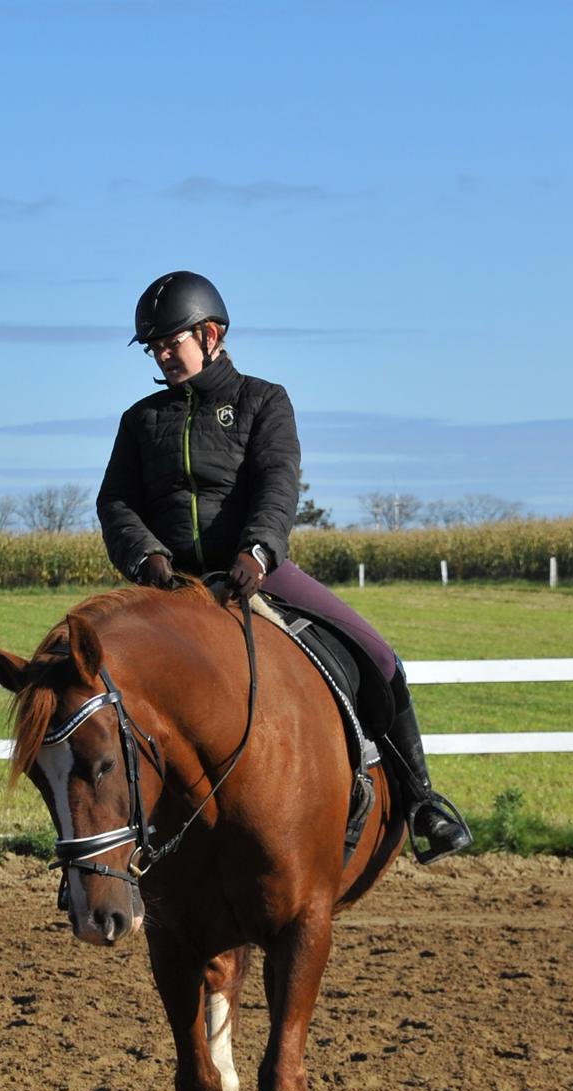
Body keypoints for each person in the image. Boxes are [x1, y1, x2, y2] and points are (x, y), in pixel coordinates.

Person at [97, 271, 470, 863]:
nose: (163, 355)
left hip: (253, 571)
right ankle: (96, 849)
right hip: (168, 584)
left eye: (172, 341)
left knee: (378, 656)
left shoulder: (264, 401)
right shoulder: (139, 421)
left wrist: (258, 551)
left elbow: (277, 484)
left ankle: (423, 801)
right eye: (156, 347)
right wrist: (148, 557)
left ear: (211, 334)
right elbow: (115, 502)